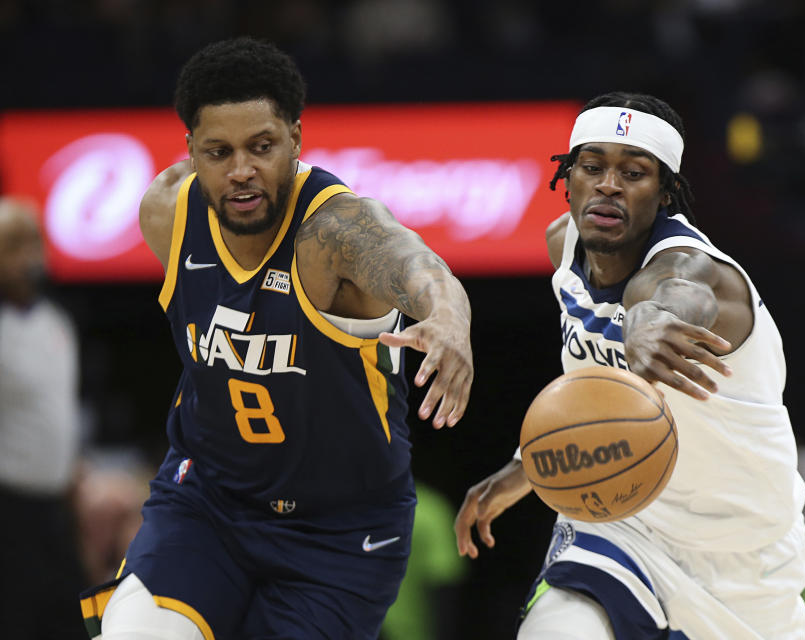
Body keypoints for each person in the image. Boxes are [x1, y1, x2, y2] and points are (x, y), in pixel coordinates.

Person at [79, 36, 473, 640]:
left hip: (339, 532)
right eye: (219, 151)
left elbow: (413, 262)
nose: (241, 171)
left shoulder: (334, 231)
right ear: (190, 152)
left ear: (295, 137)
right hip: (207, 506)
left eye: (262, 147)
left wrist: (446, 316)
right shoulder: (168, 214)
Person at [455, 92, 805, 639]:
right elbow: (594, 398)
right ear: (567, 177)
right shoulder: (563, 246)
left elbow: (671, 291)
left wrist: (647, 321)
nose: (609, 185)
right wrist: (526, 468)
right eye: (592, 167)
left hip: (742, 552)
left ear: (665, 193)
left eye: (634, 172)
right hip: (622, 520)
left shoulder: (701, 271)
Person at [0, 197, 88, 639]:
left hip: (55, 508)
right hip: (8, 510)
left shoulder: (56, 321)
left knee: (70, 622)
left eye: (32, 243)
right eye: (12, 246)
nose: (27, 258)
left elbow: (58, 413)